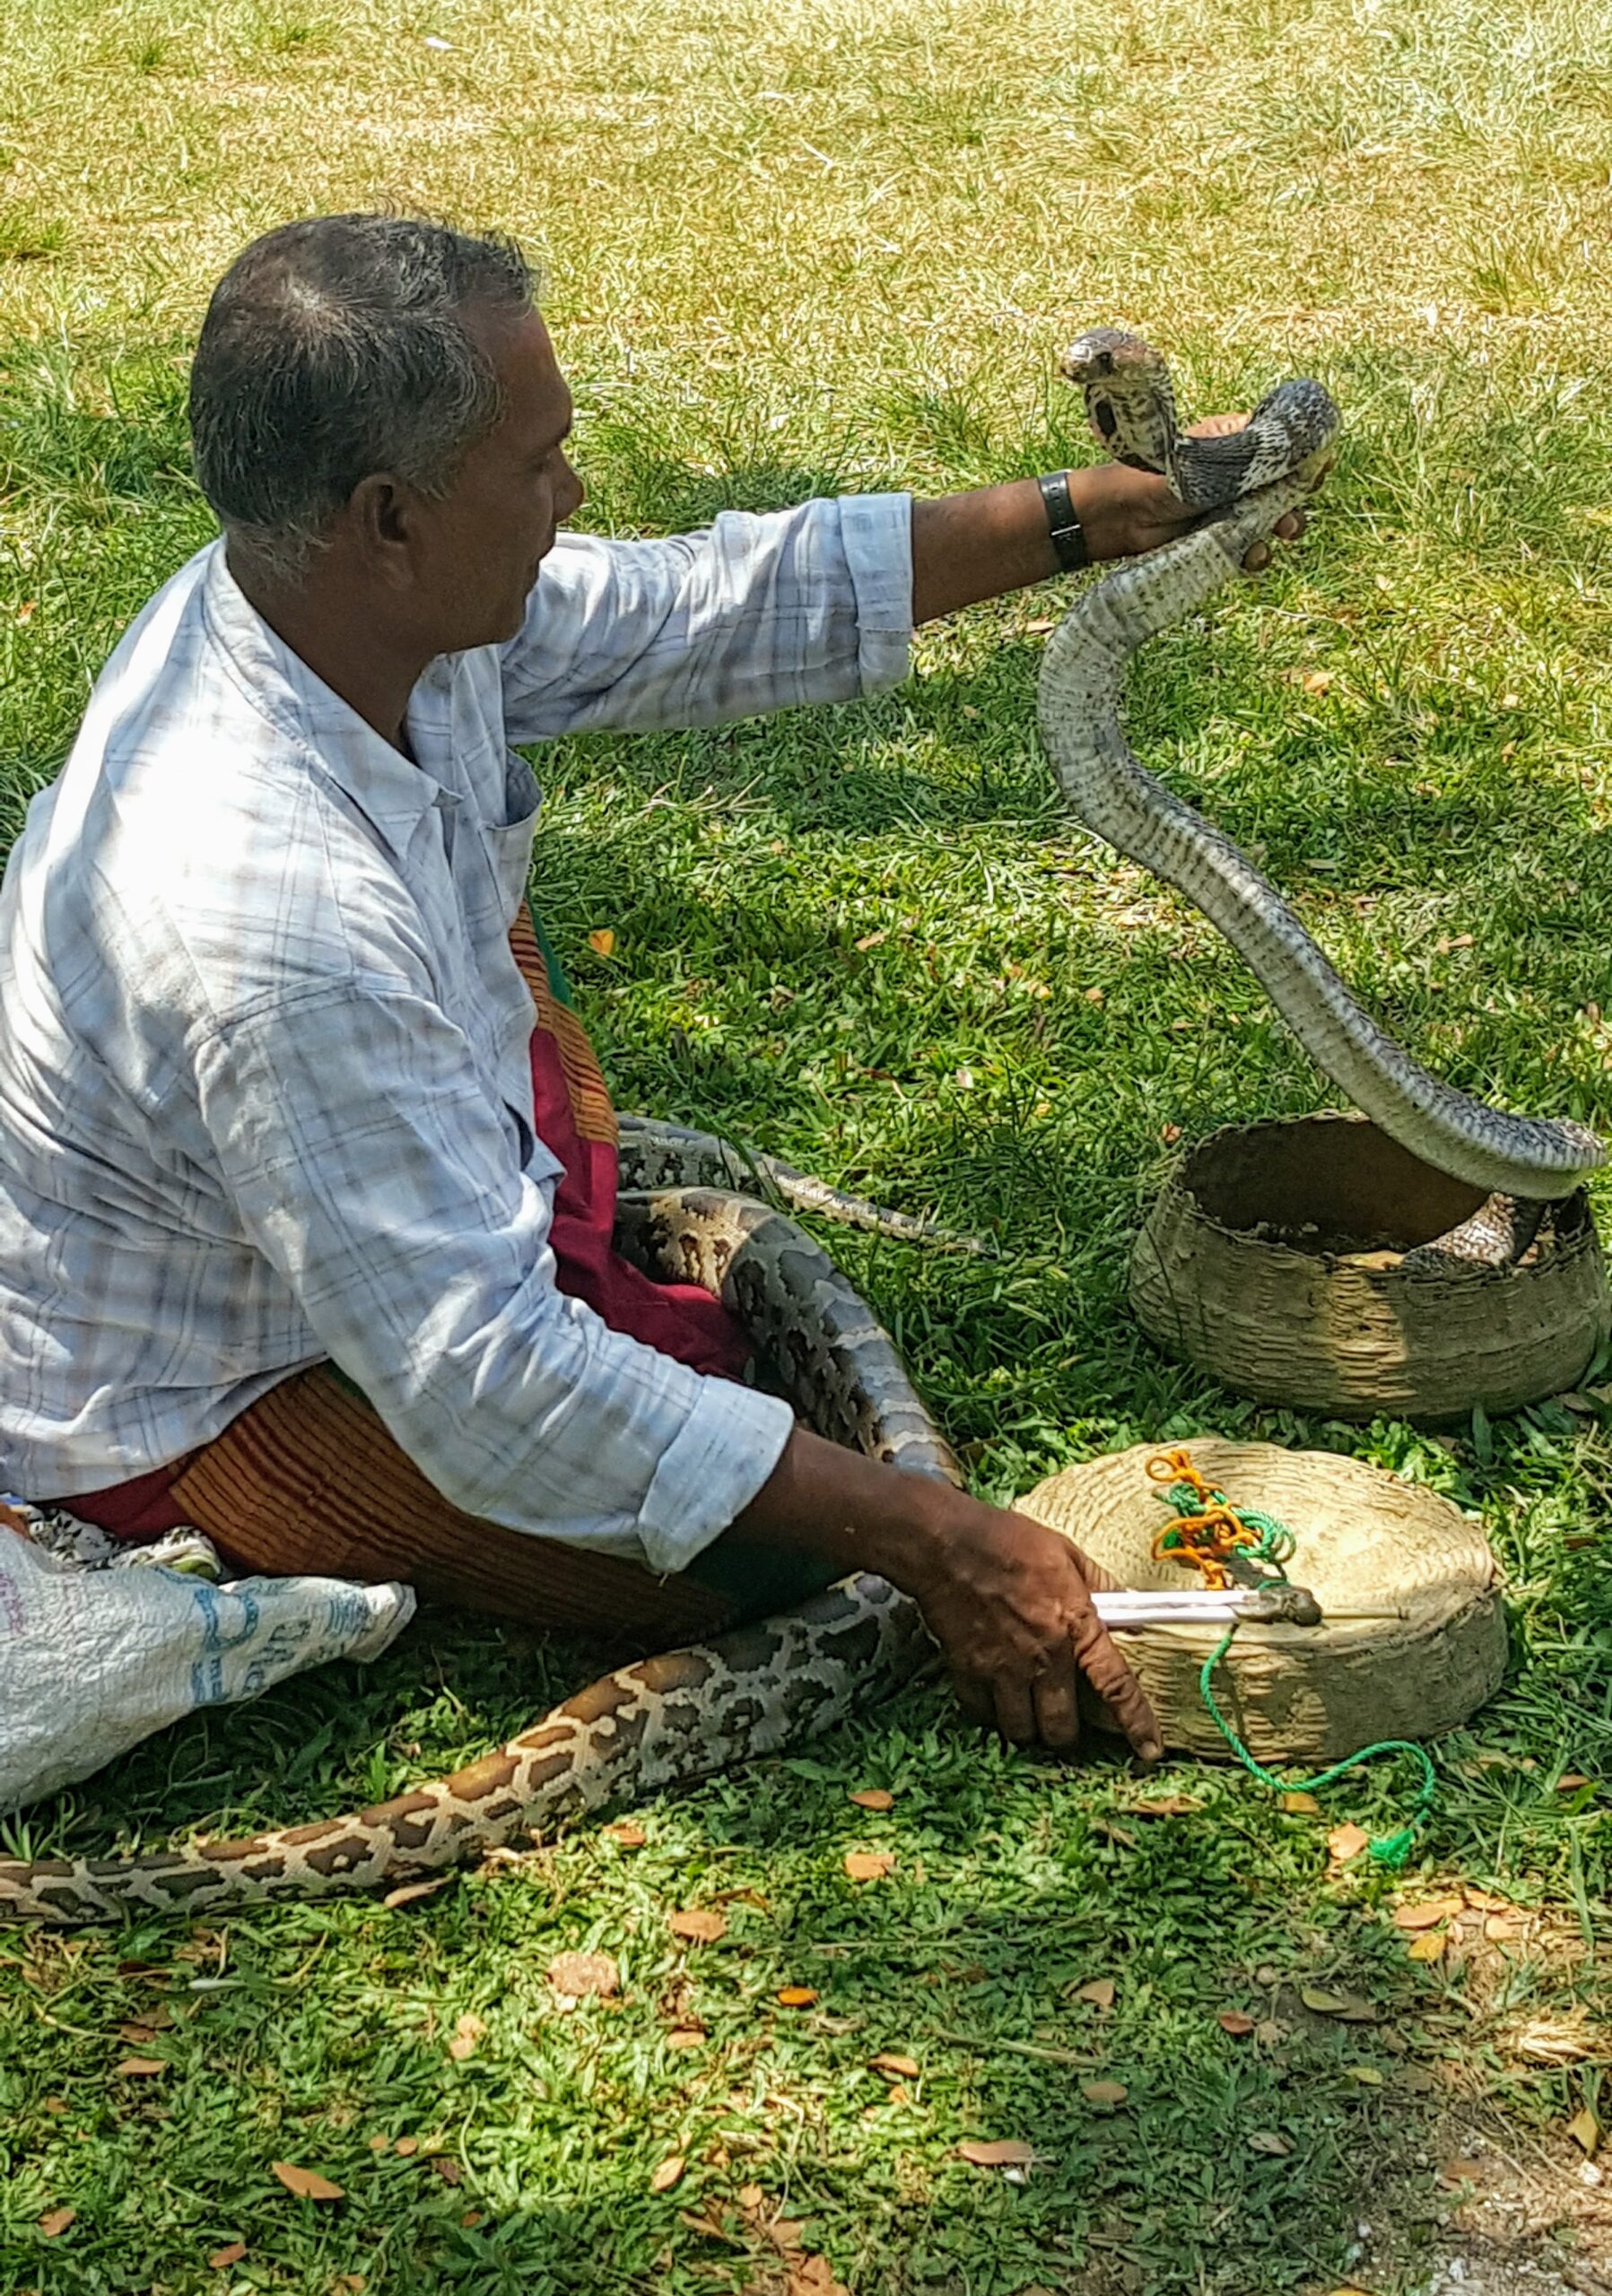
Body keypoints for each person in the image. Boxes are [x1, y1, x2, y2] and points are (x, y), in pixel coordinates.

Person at [0, 215, 1304, 1761]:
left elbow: (709, 603)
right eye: (538, 463)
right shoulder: (267, 923)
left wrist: (1094, 514)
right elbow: (485, 1388)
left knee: (735, 1432)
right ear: (390, 516)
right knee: (751, 1552)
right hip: (208, 1387)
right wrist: (939, 1538)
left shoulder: (336, 608)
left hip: (342, 1205)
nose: (573, 494)